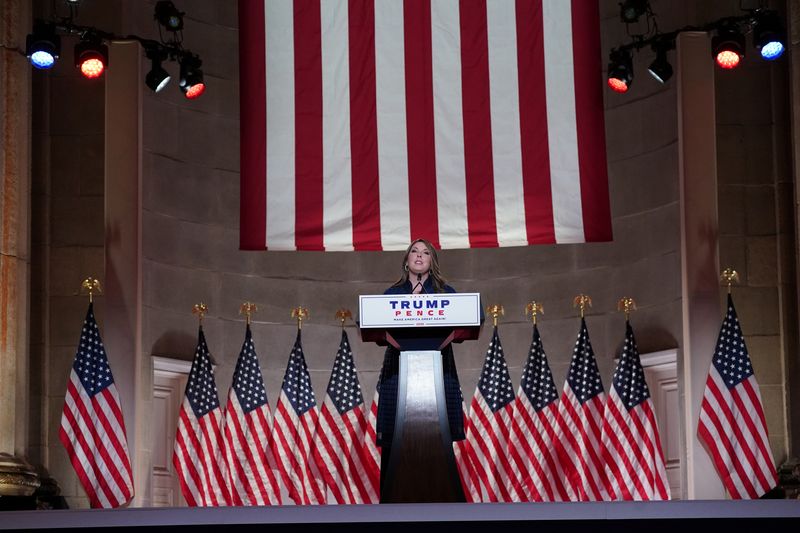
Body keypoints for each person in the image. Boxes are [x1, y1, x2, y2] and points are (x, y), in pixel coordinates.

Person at [376, 238, 466, 486]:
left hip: (439, 368)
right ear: (406, 260)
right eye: (414, 251)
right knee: (396, 436)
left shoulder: (446, 294)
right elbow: (375, 329)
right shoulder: (392, 294)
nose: (419, 255)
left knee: (439, 440)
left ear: (432, 261)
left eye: (425, 252)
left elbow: (465, 324)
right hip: (398, 370)